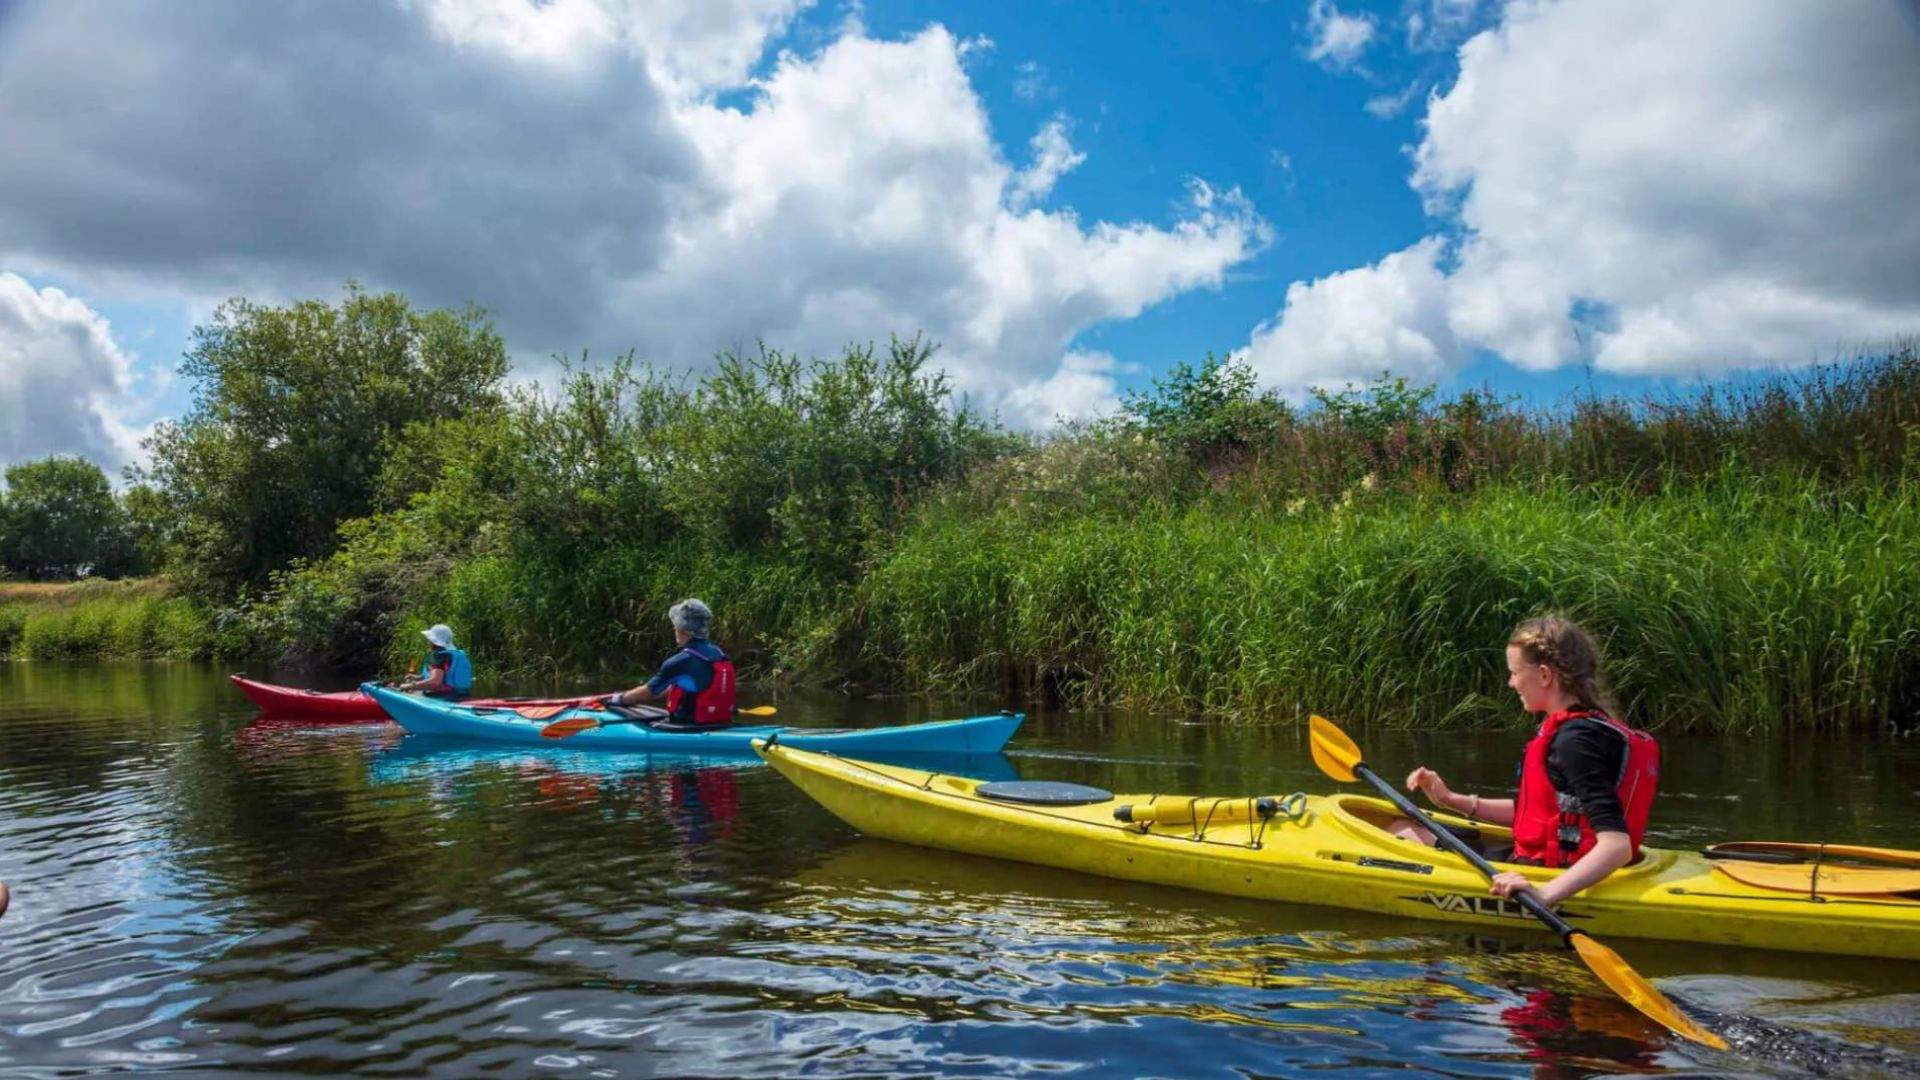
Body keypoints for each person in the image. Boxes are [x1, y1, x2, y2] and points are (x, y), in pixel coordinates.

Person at [1391, 616, 1659, 909]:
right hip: (1551, 863)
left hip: (1552, 875)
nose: (1511, 682)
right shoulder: (1589, 730)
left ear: (1544, 675)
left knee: (1402, 832)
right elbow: (1544, 813)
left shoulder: (1575, 742)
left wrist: (1544, 894)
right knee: (1410, 825)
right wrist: (1450, 799)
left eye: (1515, 672)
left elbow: (1616, 846)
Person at [605, 599, 737, 727]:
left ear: (683, 630)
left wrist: (619, 699)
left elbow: (648, 692)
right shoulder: (719, 653)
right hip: (720, 722)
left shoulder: (681, 661)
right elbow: (694, 685)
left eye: (675, 627)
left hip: (690, 726)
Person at [401, 623, 473, 699]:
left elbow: (435, 682)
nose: (428, 642)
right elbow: (444, 676)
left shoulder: (438, 656)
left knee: (404, 691)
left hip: (443, 698)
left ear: (433, 641)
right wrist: (418, 677)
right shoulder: (454, 654)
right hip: (461, 697)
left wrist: (409, 686)